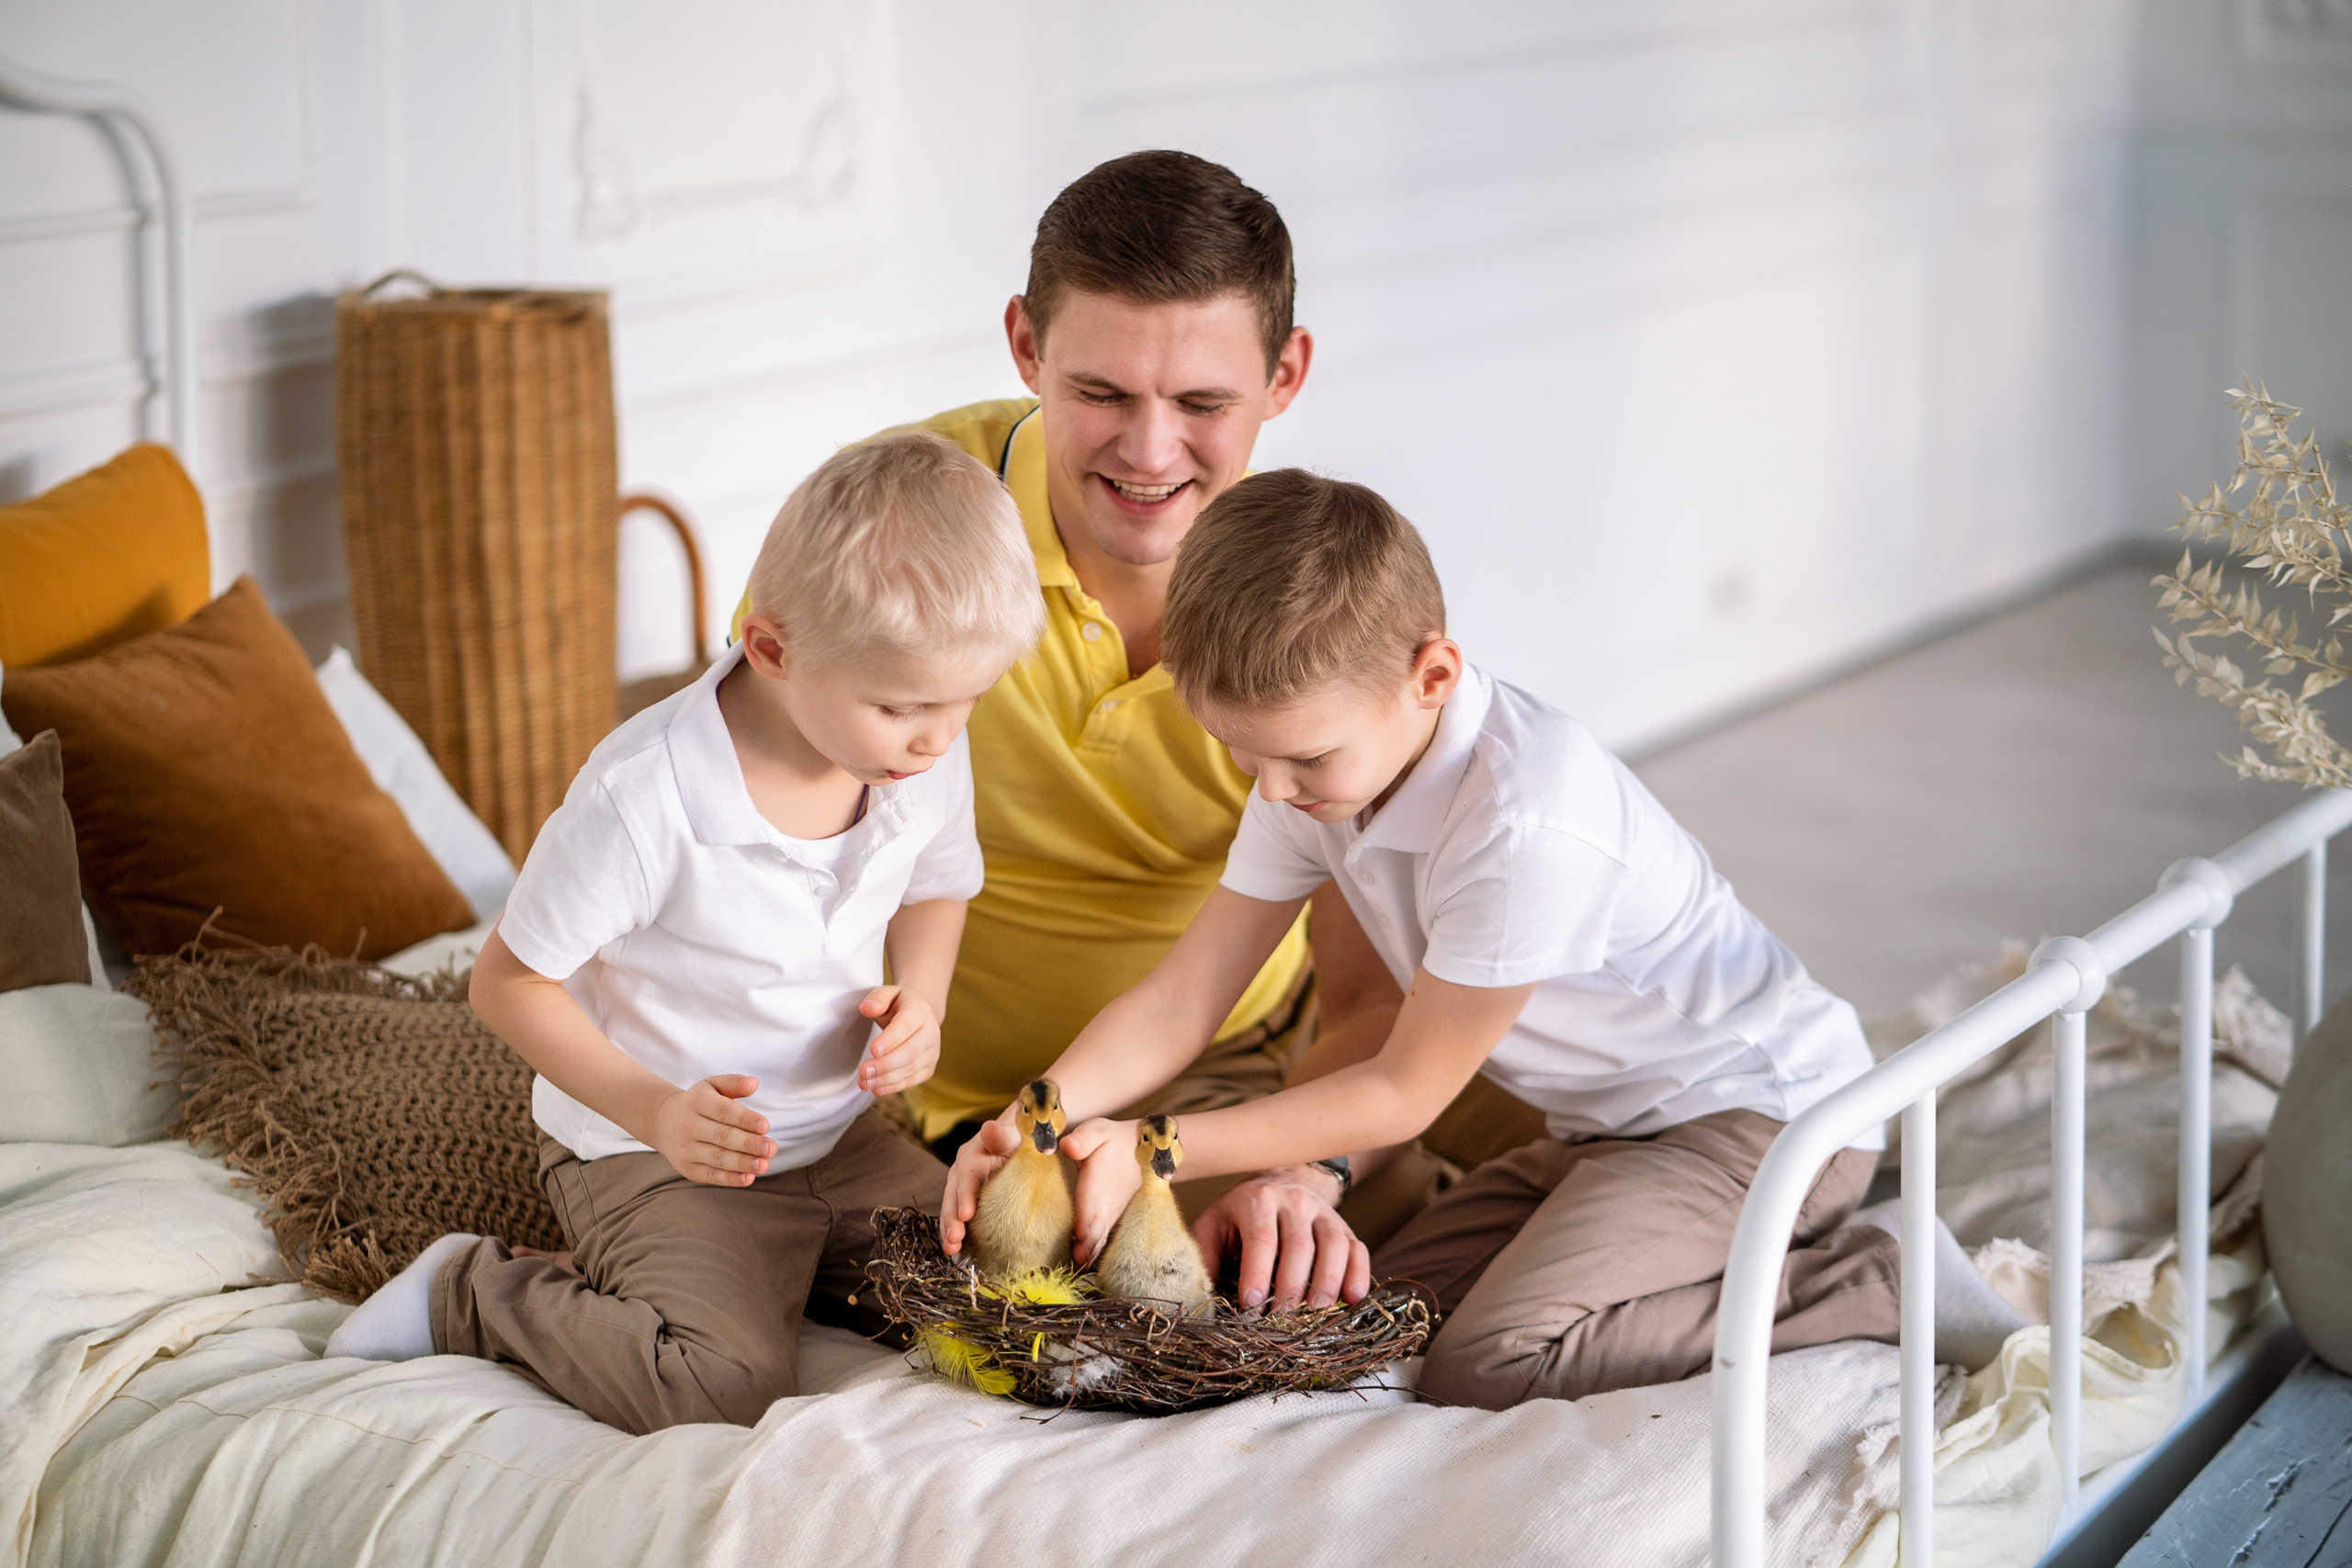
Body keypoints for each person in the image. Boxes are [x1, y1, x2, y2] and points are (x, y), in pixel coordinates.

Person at [943, 468, 1997, 1408]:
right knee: (1376, 1317)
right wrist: (1043, 1111)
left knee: (1489, 1361)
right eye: (1239, 753)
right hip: (1601, 1131)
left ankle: (1868, 1281)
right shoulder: (1317, 768)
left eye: (1300, 758)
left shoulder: (1525, 822)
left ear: (1432, 676)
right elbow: (1186, 993)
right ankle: (1649, 1242)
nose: (1268, 790)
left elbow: (1409, 1090)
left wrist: (1159, 1147)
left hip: (1759, 1122)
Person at [731, 152, 1517, 1310]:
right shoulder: (881, 535)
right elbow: (739, 859)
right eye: (1100, 394)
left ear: (1285, 372)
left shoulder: (1319, 623)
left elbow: (1366, 1003)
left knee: (1222, 1300)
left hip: (1204, 1089)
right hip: (874, 1094)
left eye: (1202, 403)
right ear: (1025, 349)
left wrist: (1303, 1174)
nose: (1149, 456)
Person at [323, 432, 1044, 1433]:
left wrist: (922, 997)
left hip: (835, 1138)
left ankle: (777, 1271)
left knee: (1016, 1305)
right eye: (902, 706)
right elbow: (506, 983)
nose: (939, 736)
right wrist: (658, 1113)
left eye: (965, 703)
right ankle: (472, 1294)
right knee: (719, 1386)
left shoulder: (914, 755)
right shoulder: (643, 794)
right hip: (656, 1155)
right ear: (774, 650)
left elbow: (937, 885)